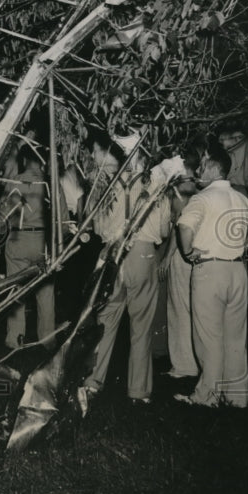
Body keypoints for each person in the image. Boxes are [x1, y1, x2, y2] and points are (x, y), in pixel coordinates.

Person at [175, 144, 248, 408]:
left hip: (209, 270)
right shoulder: (240, 198)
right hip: (237, 271)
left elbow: (184, 226)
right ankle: (237, 398)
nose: (199, 170)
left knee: (209, 338)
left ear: (215, 168)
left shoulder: (201, 199)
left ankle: (207, 397)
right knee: (235, 338)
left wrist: (189, 251)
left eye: (203, 166)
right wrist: (247, 243)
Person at [83, 153, 172, 404]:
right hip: (143, 256)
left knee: (105, 319)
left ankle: (92, 382)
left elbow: (97, 228)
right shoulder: (158, 186)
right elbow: (164, 231)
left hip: (112, 253)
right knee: (142, 325)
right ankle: (139, 391)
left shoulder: (108, 186)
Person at [0, 145, 54, 349]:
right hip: (43, 242)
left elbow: (3, 214)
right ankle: (47, 339)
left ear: (24, 160)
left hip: (18, 239)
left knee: (15, 291)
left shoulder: (15, 182)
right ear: (41, 161)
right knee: (45, 292)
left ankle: (15, 338)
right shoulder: (50, 182)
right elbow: (63, 218)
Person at [164, 143, 202, 380]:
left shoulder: (180, 190)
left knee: (179, 309)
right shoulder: (198, 189)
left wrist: (166, 258)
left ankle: (183, 365)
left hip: (181, 252)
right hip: (198, 251)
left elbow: (179, 227)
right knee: (193, 309)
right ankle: (196, 362)